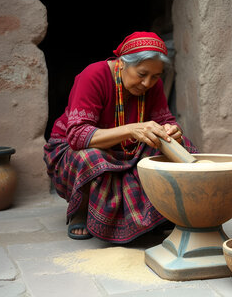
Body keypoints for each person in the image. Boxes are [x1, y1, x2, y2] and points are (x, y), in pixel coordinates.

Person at [43, 31, 197, 242]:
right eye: (142, 74)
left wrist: (172, 131)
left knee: (179, 146)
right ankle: (82, 208)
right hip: (74, 149)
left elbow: (165, 121)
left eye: (155, 76)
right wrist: (132, 129)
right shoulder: (94, 75)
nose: (147, 83)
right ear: (122, 63)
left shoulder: (153, 85)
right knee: (92, 157)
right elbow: (77, 136)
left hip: (128, 146)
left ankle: (160, 213)